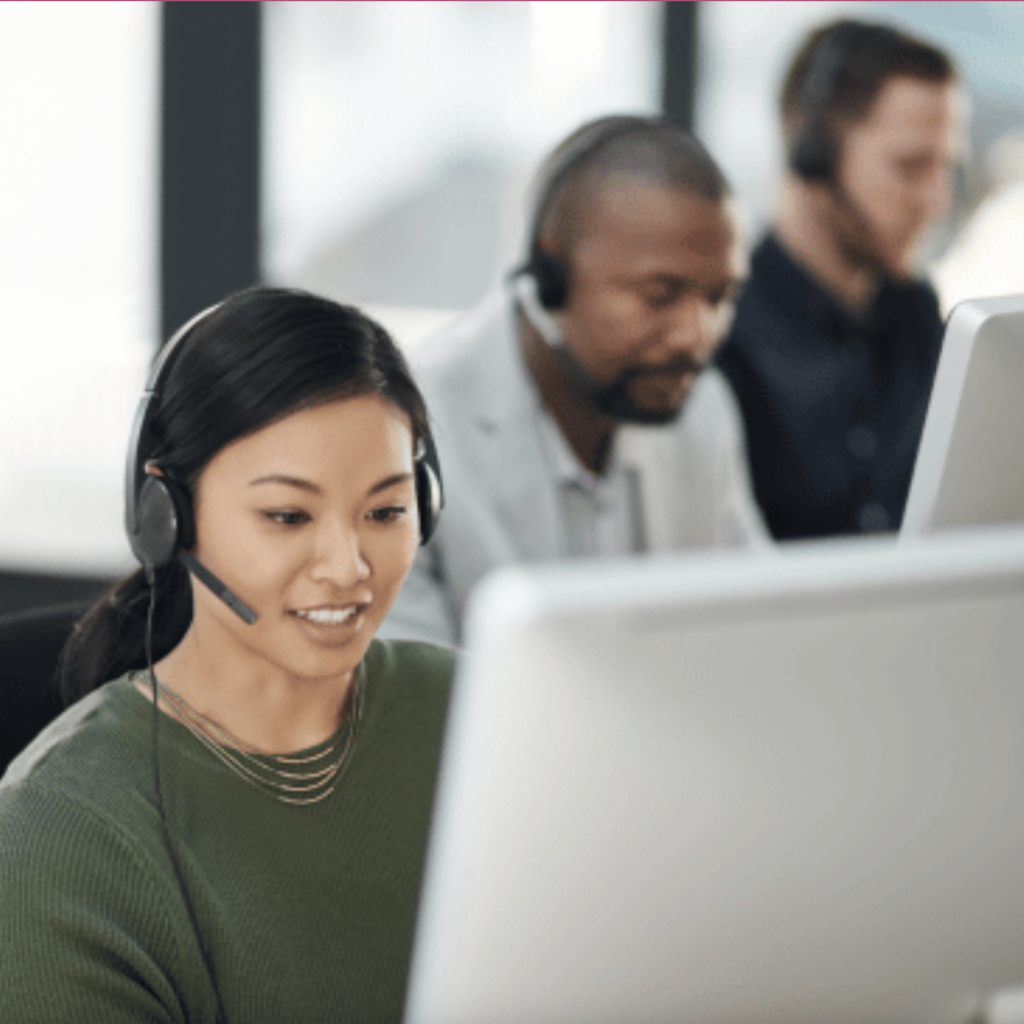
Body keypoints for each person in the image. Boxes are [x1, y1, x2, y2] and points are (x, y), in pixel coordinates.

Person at [0, 287, 453, 1023]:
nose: (347, 566)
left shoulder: (479, 717)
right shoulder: (58, 829)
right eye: (287, 516)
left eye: (385, 512)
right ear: (165, 517)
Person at [381, 114, 769, 648]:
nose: (696, 336)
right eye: (660, 295)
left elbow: (760, 628)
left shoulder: (703, 410)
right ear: (550, 279)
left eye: (719, 298)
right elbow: (408, 704)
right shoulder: (401, 432)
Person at [717, 19, 964, 540]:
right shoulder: (724, 330)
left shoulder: (918, 314)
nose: (937, 203)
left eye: (943, 168)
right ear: (813, 153)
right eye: (910, 166)